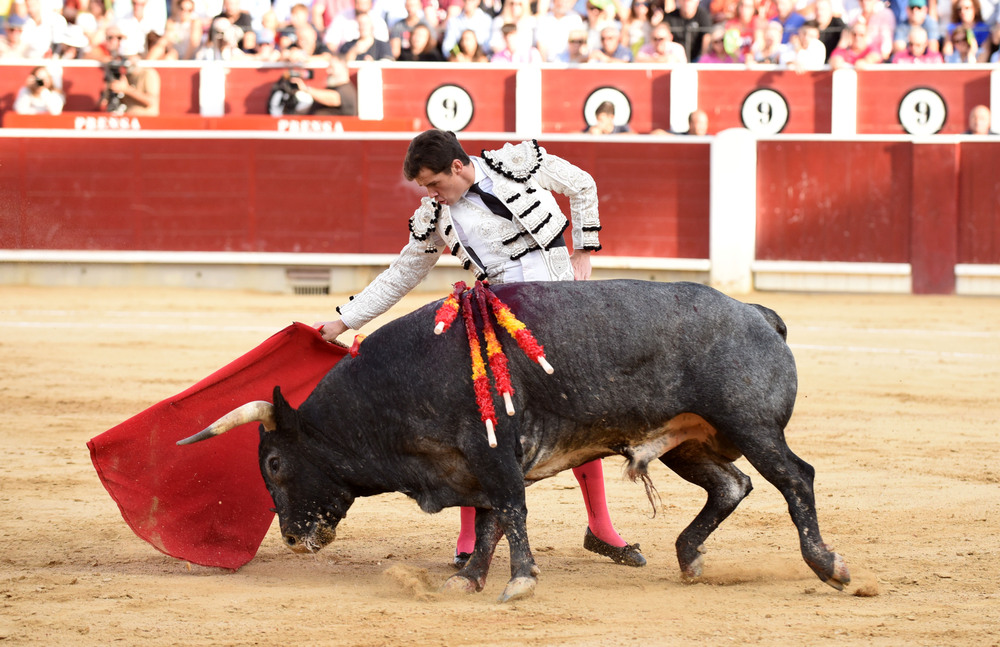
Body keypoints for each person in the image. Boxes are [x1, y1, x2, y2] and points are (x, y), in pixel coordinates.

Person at [313, 129, 646, 570]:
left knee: (585, 416)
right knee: (482, 418)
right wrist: (344, 320)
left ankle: (600, 528)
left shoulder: (519, 163)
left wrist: (585, 249)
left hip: (567, 313)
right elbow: (401, 273)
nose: (432, 195)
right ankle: (469, 537)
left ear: (457, 166)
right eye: (425, 189)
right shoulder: (435, 215)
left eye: (435, 184)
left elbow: (582, 184)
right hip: (503, 324)